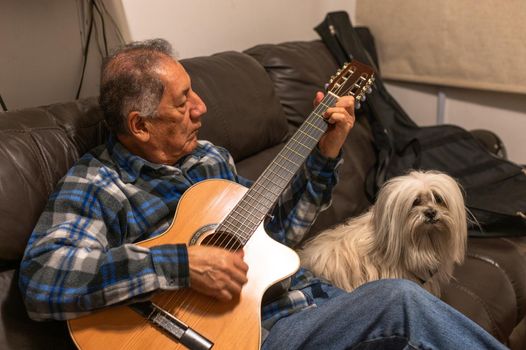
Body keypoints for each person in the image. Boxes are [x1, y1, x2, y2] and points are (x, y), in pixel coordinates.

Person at [19, 39, 505, 349]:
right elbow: (43, 281)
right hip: (249, 332)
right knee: (399, 299)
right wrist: (181, 264)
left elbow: (278, 238)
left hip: (309, 303)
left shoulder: (211, 159)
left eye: (195, 92)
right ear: (139, 125)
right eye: (184, 101)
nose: (202, 109)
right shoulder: (96, 183)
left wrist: (325, 155)